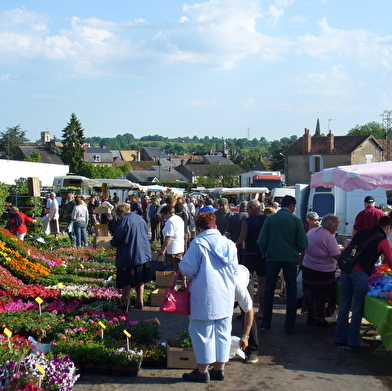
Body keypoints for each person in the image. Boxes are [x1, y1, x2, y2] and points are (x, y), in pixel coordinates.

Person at [180, 212, 238, 383]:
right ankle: (219, 368)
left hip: (205, 294)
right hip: (226, 294)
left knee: (202, 333)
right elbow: (235, 269)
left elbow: (187, 269)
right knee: (223, 332)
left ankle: (202, 371)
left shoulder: (198, 243)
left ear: (199, 228)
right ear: (215, 225)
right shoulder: (229, 244)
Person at [335, 216, 392, 348]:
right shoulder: (382, 241)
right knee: (357, 306)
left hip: (346, 270)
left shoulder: (362, 232)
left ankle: (340, 338)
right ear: (388, 227)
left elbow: (348, 248)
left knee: (344, 304)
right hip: (360, 274)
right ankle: (354, 340)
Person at [257, 195, 308, 334]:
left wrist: (266, 253)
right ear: (292, 206)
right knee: (291, 292)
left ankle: (266, 322)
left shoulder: (270, 219)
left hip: (272, 257)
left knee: (269, 290)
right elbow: (303, 244)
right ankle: (289, 324)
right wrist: (294, 251)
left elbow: (261, 240)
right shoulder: (296, 221)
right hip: (290, 259)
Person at [111, 203, 152, 311]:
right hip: (142, 253)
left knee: (126, 280)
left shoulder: (124, 220)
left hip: (128, 254)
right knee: (140, 279)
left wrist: (112, 242)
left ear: (121, 213)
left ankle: (126, 302)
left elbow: (117, 238)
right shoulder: (140, 218)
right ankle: (140, 301)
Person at [301, 214, 341, 326]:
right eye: (336, 226)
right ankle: (320, 317)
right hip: (323, 272)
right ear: (329, 226)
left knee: (310, 294)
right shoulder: (329, 237)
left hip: (308, 268)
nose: (336, 229)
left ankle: (311, 315)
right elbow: (336, 255)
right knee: (322, 296)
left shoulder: (312, 232)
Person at [236, 200, 267, 319]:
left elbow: (241, 240)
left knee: (246, 283)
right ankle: (261, 311)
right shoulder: (266, 220)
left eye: (248, 209)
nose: (247, 211)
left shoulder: (247, 221)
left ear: (253, 208)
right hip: (263, 255)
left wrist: (236, 248)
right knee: (262, 283)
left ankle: (247, 312)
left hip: (249, 254)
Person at [235, 264, 259, 365]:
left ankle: (252, 350)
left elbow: (249, 311)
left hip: (244, 277)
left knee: (246, 312)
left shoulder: (238, 288)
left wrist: (245, 336)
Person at [159, 205, 185, 287]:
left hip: (172, 248)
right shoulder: (179, 219)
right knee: (180, 267)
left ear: (167, 213)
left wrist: (163, 249)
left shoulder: (170, 221)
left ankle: (173, 286)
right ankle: (184, 284)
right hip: (180, 246)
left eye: (163, 215)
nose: (163, 217)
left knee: (173, 269)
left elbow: (168, 237)